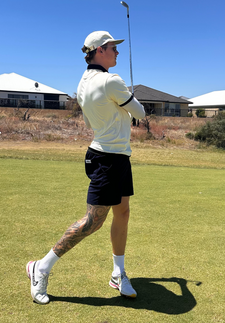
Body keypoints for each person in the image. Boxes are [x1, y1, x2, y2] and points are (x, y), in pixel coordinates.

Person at [26, 30, 146, 305]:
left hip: (114, 155)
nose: (117, 52)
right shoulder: (111, 81)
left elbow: (102, 118)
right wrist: (129, 101)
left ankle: (118, 273)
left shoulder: (83, 82)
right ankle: (40, 267)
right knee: (93, 221)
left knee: (123, 212)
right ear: (101, 50)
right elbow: (140, 112)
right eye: (113, 48)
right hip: (106, 158)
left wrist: (122, 108)